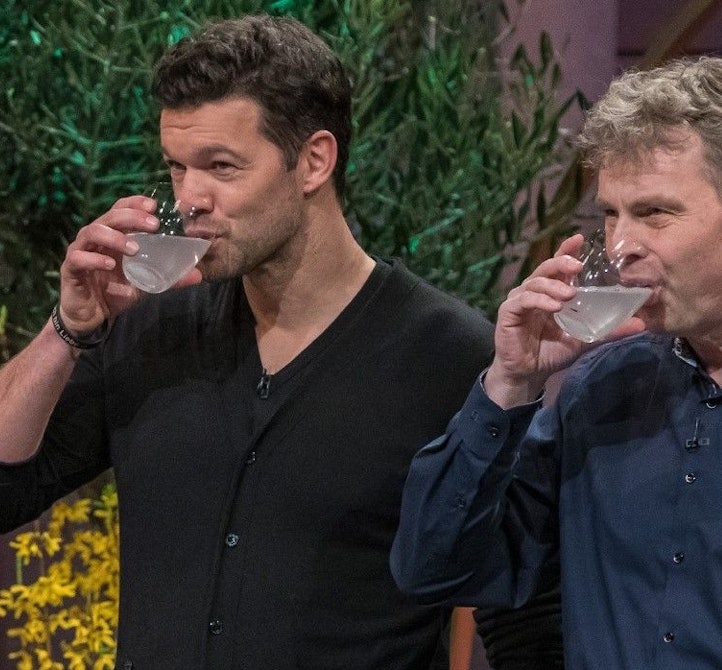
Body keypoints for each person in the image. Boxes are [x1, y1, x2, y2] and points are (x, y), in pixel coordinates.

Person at [0, 14, 560, 669]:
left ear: (314, 160)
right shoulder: (148, 331)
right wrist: (67, 330)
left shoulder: (451, 355)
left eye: (221, 167)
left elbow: (523, 619)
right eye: (177, 168)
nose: (190, 198)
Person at [390, 55, 722, 669]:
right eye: (611, 214)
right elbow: (435, 568)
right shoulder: (600, 388)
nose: (621, 247)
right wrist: (509, 384)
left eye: (654, 213)